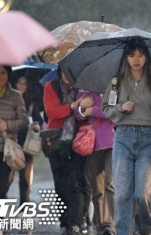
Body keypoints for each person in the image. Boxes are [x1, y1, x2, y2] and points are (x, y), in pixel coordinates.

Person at [102, 39, 151, 235]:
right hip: (123, 138)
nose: (136, 59)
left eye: (140, 54)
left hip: (147, 139)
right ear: (126, 57)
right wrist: (120, 108)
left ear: (146, 56)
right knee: (123, 193)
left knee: (142, 194)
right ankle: (124, 231)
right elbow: (106, 107)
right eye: (132, 55)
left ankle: (145, 229)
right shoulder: (117, 81)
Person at [0, 65, 29, 235]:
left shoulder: (16, 96)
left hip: (5, 151)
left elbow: (23, 121)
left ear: (8, 75)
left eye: (2, 72)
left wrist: (7, 125)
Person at [43, 68, 88, 234]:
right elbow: (51, 111)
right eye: (65, 72)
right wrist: (72, 106)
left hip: (79, 140)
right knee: (61, 184)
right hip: (56, 141)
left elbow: (87, 112)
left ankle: (76, 222)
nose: (67, 76)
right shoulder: (51, 86)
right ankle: (64, 222)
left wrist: (81, 110)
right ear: (60, 71)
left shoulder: (83, 87)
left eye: (71, 72)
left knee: (77, 181)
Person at [75, 90, 116, 235]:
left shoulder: (116, 87)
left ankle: (110, 224)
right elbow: (78, 115)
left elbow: (114, 112)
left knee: (111, 183)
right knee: (97, 188)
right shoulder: (86, 89)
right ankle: (101, 225)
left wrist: (92, 110)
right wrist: (81, 107)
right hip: (93, 144)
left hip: (113, 141)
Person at [7, 76, 43, 205]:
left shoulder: (31, 102)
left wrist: (37, 124)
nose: (21, 86)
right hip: (12, 142)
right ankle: (1, 198)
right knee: (8, 175)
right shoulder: (9, 100)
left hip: (27, 141)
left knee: (26, 176)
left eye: (24, 84)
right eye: (19, 83)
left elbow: (38, 118)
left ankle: (24, 202)